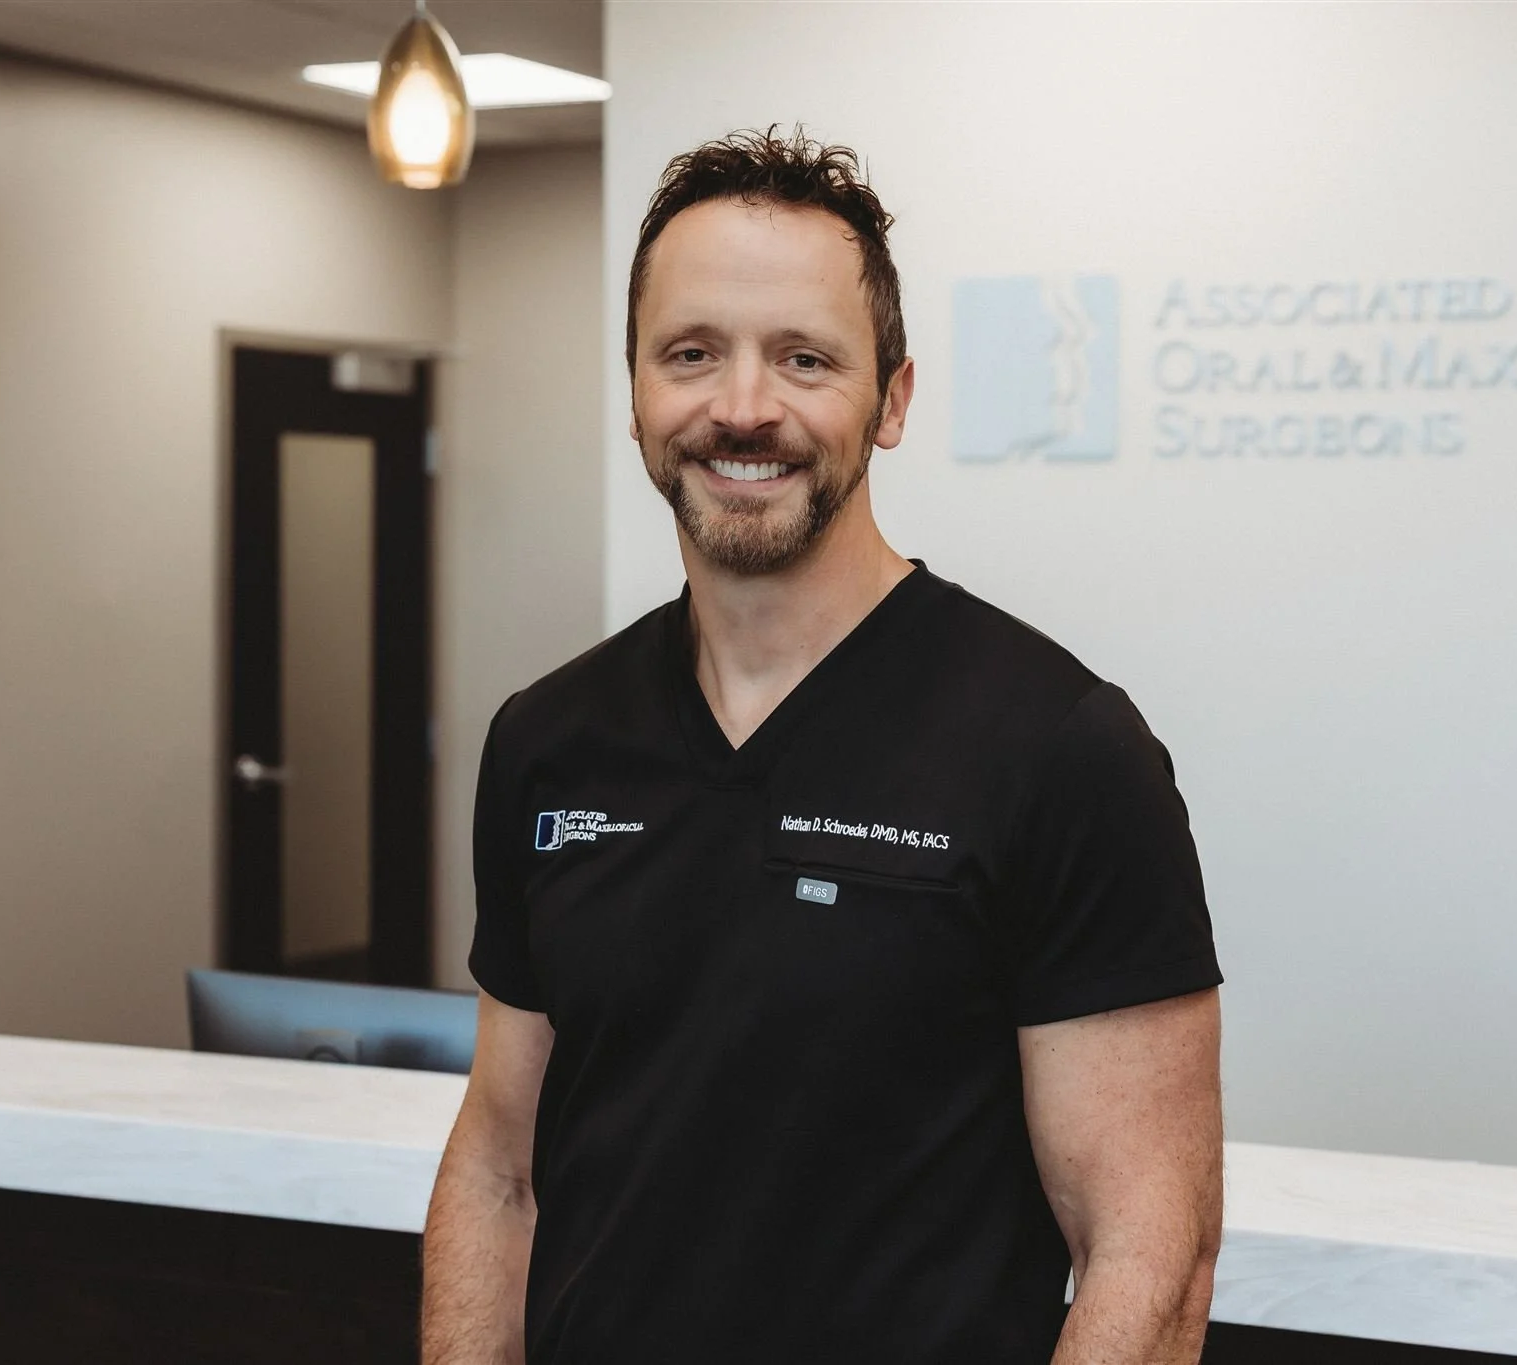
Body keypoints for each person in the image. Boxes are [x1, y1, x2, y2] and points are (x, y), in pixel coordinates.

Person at [422, 128, 1225, 1365]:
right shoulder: (548, 741)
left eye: (804, 359)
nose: (742, 408)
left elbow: (1147, 1254)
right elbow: (498, 1166)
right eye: (690, 354)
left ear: (890, 399)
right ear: (634, 386)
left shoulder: (1058, 748)